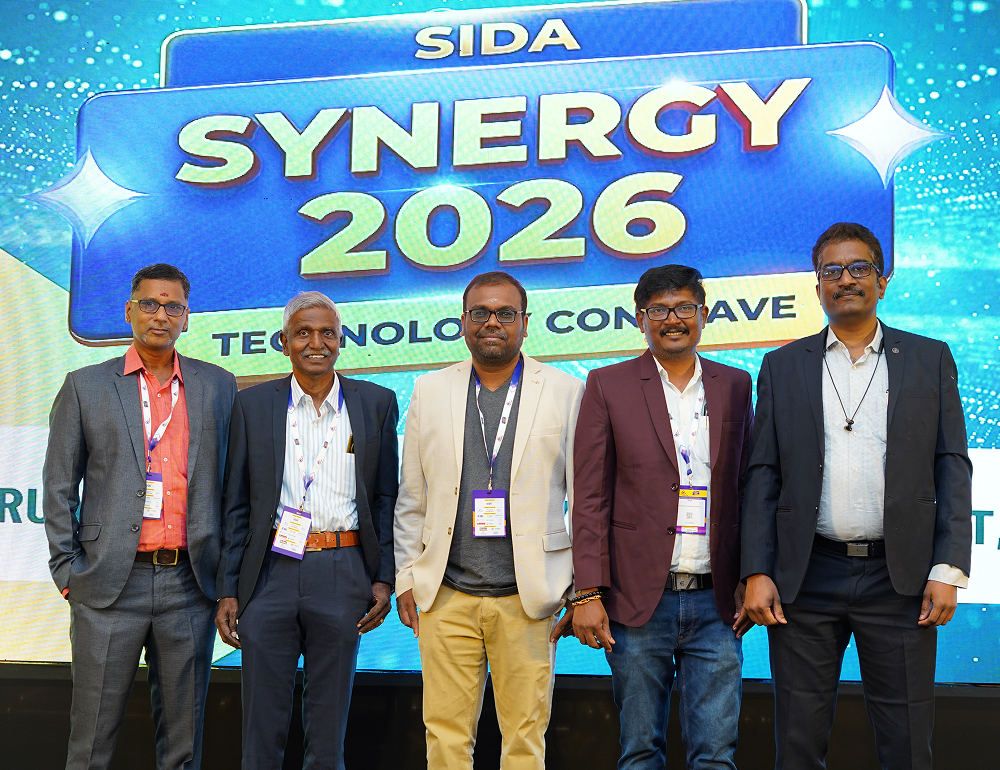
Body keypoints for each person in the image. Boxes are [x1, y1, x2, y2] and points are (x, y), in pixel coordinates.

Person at [741, 222, 973, 770]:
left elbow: (951, 465)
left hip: (901, 579)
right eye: (832, 271)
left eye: (859, 268)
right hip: (806, 577)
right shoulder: (782, 365)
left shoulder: (929, 358)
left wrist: (948, 567)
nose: (845, 279)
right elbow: (763, 474)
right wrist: (757, 569)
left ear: (882, 281)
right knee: (797, 740)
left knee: (907, 741)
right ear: (817, 285)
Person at [43, 263, 238, 770]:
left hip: (190, 586)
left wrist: (225, 578)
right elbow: (59, 486)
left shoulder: (218, 386)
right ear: (129, 310)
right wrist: (67, 572)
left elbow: (232, 486)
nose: (160, 315)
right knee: (91, 744)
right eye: (150, 304)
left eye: (173, 306)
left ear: (187, 318)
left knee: (183, 748)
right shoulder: (85, 386)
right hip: (108, 584)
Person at [393, 270, 584, 770]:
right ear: (463, 322)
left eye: (505, 313)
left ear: (525, 322)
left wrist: (578, 585)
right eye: (480, 313)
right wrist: (406, 578)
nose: (492, 322)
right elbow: (412, 496)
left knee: (524, 741)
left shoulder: (565, 391)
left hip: (529, 598)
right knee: (446, 739)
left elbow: (584, 499)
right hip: (446, 595)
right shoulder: (430, 390)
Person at [572, 264, 754, 769]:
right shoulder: (607, 384)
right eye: (658, 311)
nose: (672, 319)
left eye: (683, 308)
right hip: (636, 602)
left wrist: (753, 572)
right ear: (640, 319)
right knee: (639, 752)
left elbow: (749, 486)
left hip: (718, 601)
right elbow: (590, 497)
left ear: (704, 314)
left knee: (715, 755)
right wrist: (588, 591)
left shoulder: (736, 384)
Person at [214, 291, 398, 770]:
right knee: (261, 725)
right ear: (284, 341)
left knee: (328, 729)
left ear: (341, 340)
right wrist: (229, 588)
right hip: (268, 573)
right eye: (303, 333)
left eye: (327, 333)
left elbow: (385, 498)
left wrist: (384, 578)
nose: (316, 343)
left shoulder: (376, 403)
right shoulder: (252, 404)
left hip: (343, 569)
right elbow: (236, 504)